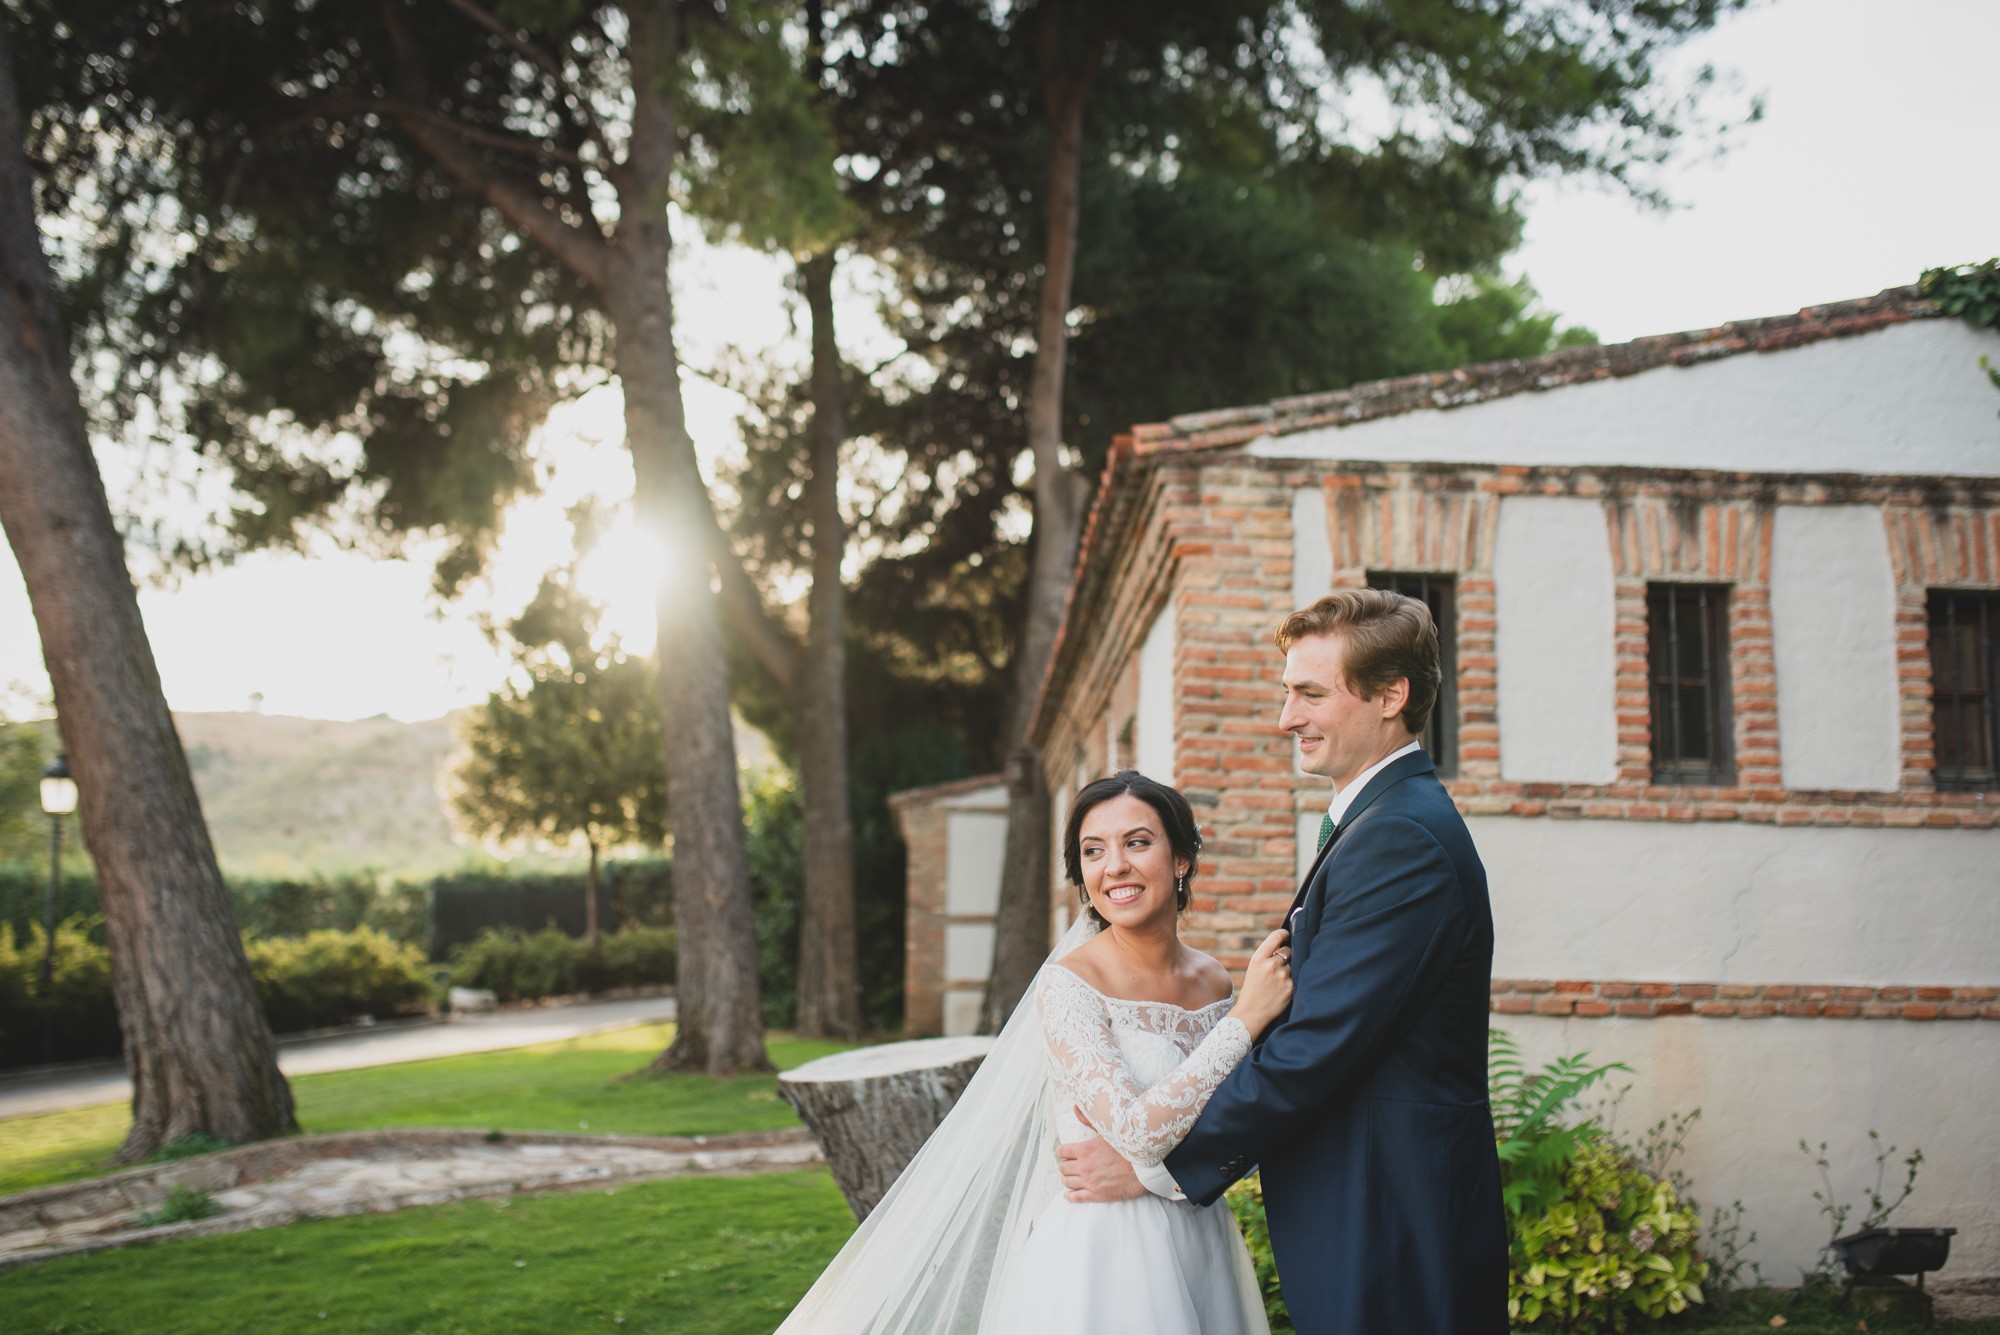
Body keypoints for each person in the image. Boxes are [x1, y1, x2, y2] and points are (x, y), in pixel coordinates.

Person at [1058, 589, 1509, 1334]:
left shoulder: (1401, 839)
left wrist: (1155, 1168)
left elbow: (1314, 1049)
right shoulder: (1378, 823)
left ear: (1391, 694)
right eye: (1285, 692)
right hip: (1369, 1202)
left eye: (1308, 693)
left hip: (1389, 1213)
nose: (1286, 717)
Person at [774, 771, 1293, 1333]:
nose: (1114, 865)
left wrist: (1156, 1177)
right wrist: (1246, 1021)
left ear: (1181, 859)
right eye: (1093, 851)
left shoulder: (1214, 981)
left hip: (1202, 1238)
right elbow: (1137, 1132)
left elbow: (1241, 1117)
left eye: (1137, 842)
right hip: (1107, 1255)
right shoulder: (1070, 985)